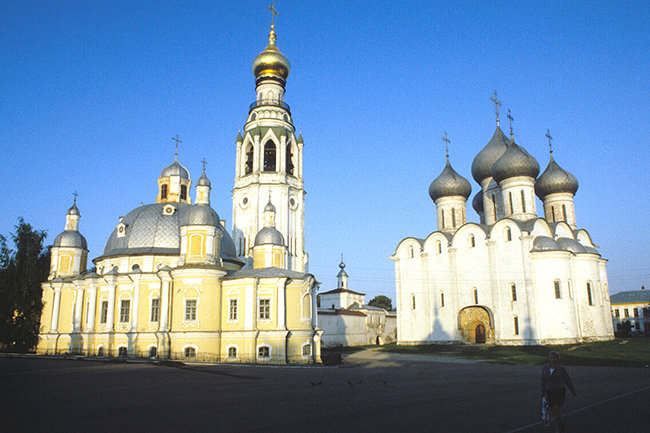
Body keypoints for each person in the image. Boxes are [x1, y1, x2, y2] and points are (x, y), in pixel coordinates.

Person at [541, 351, 577, 433]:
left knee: (556, 409)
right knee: (554, 411)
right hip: (549, 391)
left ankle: (558, 429)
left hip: (559, 391)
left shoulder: (561, 369)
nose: (552, 359)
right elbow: (543, 381)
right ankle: (560, 425)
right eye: (551, 357)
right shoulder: (545, 368)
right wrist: (543, 393)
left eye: (554, 358)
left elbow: (567, 380)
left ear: (557, 359)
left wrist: (572, 390)